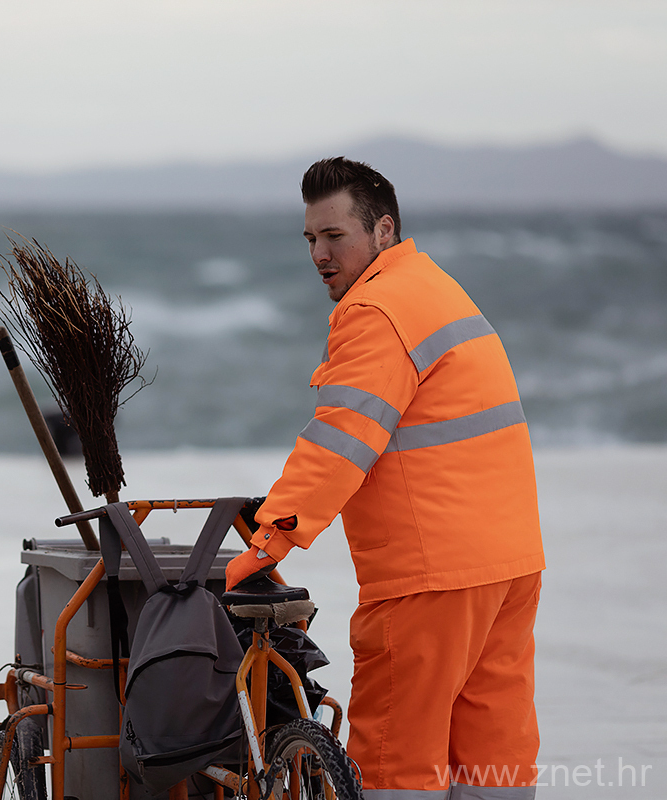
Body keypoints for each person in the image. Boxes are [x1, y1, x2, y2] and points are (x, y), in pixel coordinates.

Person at [225, 158, 545, 799]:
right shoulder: (437, 290)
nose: (319, 254)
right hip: (508, 567)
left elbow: (339, 443)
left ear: (383, 230)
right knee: (494, 755)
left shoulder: (376, 311)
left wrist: (265, 544)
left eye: (334, 236)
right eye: (310, 238)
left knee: (396, 762)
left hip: (430, 578)